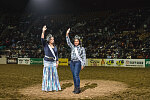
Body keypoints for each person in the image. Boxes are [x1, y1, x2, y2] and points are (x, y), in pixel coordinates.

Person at [66, 28, 86, 94]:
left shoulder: (82, 48)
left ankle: (78, 88)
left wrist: (83, 64)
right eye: (75, 41)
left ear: (79, 42)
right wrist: (67, 34)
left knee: (76, 75)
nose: (75, 42)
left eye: (77, 41)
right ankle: (75, 88)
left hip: (78, 62)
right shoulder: (72, 47)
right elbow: (68, 42)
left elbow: (84, 57)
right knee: (74, 75)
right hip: (72, 62)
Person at [41, 25, 61, 92]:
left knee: (55, 75)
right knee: (47, 75)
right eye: (51, 39)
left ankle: (55, 87)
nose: (53, 40)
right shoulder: (46, 45)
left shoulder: (55, 46)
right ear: (49, 39)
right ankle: (46, 88)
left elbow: (56, 54)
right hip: (47, 61)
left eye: (53, 39)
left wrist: (57, 61)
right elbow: (42, 39)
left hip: (53, 62)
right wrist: (43, 31)